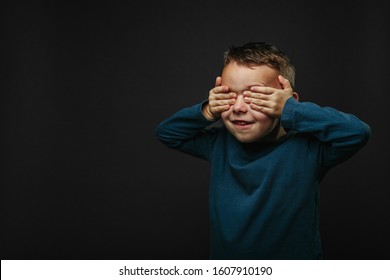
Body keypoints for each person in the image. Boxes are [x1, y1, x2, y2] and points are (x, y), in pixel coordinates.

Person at [155, 42, 371, 259]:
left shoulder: (309, 149)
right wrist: (208, 110)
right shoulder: (218, 143)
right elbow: (168, 133)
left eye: (255, 97)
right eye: (229, 96)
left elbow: (357, 133)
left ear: (285, 100)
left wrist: (290, 109)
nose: (239, 107)